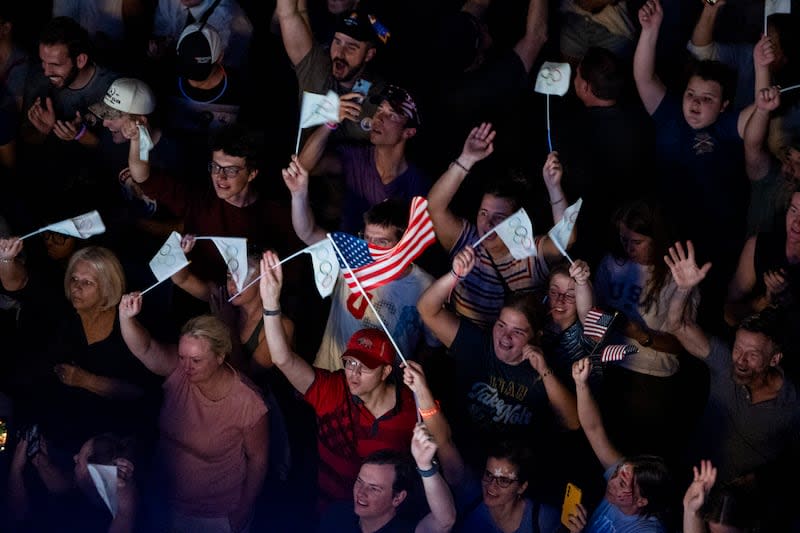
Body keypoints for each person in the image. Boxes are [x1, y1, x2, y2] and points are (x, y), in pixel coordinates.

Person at [417, 245, 580, 503]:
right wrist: (455, 275)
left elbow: (572, 422)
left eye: (518, 331)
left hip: (511, 482)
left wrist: (545, 371)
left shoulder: (543, 368)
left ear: (535, 336)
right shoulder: (477, 345)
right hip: (463, 464)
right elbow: (427, 309)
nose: (505, 336)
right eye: (501, 325)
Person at [259, 249, 417, 510]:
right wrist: (271, 302)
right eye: (350, 362)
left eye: (364, 367)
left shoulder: (413, 407)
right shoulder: (333, 389)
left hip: (384, 519)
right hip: (331, 512)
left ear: (386, 372)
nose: (353, 372)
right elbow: (283, 359)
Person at [633, 0, 756, 329]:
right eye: (691, 94)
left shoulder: (728, 126)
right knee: (664, 308)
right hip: (670, 234)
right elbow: (644, 78)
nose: (696, 104)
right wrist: (650, 30)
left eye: (707, 99)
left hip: (716, 242)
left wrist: (764, 69)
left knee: (706, 314)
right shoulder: (670, 114)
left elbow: (759, 111)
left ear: (724, 104)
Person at [118, 304, 269, 532]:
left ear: (220, 356)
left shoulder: (249, 402)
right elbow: (146, 348)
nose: (186, 367)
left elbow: (258, 460)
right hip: (165, 500)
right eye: (182, 357)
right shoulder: (177, 370)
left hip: (214, 515)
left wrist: (242, 512)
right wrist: (125, 317)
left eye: (196, 360)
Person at [664, 241, 800, 493]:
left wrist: (758, 481)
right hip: (687, 481)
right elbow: (677, 326)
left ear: (775, 359)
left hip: (736, 509)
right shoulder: (725, 360)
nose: (740, 359)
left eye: (752, 354)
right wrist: (683, 290)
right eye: (739, 349)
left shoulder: (793, 403)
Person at [0, 243, 162, 454]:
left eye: (87, 283)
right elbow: (18, 282)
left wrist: (85, 380)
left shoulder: (129, 323)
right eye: (74, 279)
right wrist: (6, 259)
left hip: (106, 430)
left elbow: (140, 392)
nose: (76, 288)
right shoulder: (63, 306)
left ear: (107, 288)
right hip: (53, 415)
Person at [282, 154, 438, 372]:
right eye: (367, 238)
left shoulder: (426, 286)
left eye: (381, 242)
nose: (370, 248)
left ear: (403, 243)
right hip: (333, 375)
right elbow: (307, 232)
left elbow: (431, 345)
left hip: (384, 390)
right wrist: (298, 195)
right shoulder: (352, 257)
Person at [427, 123, 573, 329]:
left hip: (515, 350)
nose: (487, 223)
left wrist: (554, 187)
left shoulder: (529, 253)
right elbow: (435, 207)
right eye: (483, 213)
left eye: (499, 217)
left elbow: (565, 238)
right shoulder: (467, 241)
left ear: (516, 221)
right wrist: (466, 159)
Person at [126, 120, 304, 286]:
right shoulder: (199, 199)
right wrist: (136, 140)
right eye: (215, 167)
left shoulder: (276, 213)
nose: (220, 177)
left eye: (231, 170)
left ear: (252, 174)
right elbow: (143, 176)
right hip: (197, 297)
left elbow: (294, 273)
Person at [592, 199, 699, 460]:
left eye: (636, 242)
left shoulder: (677, 277)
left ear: (656, 238)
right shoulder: (612, 264)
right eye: (623, 239)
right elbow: (592, 313)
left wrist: (638, 333)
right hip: (609, 367)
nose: (628, 247)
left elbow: (683, 344)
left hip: (650, 379)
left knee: (641, 457)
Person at [402, 359, 559, 532]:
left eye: (504, 480)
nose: (491, 485)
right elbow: (444, 443)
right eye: (489, 475)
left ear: (522, 486)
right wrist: (421, 390)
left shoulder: (544, 520)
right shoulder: (471, 493)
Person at [556, 46, 656, 266]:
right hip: (626, 226)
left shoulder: (572, 128)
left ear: (586, 87)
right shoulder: (640, 118)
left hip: (587, 229)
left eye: (577, 74)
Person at [18, 16, 118, 219]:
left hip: (96, 187)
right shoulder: (39, 79)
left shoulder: (111, 88)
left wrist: (80, 134)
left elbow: (116, 153)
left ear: (80, 60)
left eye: (55, 64)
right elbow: (25, 138)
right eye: (43, 62)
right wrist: (44, 131)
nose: (47, 71)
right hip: (52, 183)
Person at [298, 84, 430, 234]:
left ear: (409, 132)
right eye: (379, 110)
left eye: (391, 115)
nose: (379, 118)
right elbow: (304, 167)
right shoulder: (356, 157)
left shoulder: (418, 182)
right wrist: (330, 122)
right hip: (348, 251)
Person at [566, 357, 673, 533]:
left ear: (641, 501)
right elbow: (594, 429)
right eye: (616, 473)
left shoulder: (647, 530)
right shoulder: (626, 475)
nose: (612, 481)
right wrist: (581, 384)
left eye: (622, 484)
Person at [274, 0, 387, 143]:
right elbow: (287, 13)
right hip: (301, 163)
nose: (340, 53)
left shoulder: (381, 96)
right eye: (337, 41)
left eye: (351, 48)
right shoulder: (316, 67)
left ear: (369, 54)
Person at [317, 425, 457, 533]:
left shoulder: (407, 529)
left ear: (397, 498)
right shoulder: (335, 515)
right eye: (360, 481)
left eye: (374, 488)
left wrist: (425, 466)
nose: (361, 492)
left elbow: (445, 521)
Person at [8, 431, 138, 532]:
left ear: (94, 477)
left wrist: (15, 469)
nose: (75, 457)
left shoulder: (84, 524)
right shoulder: (90, 492)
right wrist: (43, 463)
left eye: (80, 461)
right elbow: (64, 487)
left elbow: (20, 521)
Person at [725, 186, 800, 325]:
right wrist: (763, 303)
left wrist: (788, 300)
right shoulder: (760, 246)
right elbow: (729, 314)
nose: (796, 223)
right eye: (793, 210)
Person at [148, 0, 254, 72]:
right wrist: (161, 46)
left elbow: (224, 64)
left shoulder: (230, 17)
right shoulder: (168, 2)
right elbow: (162, 30)